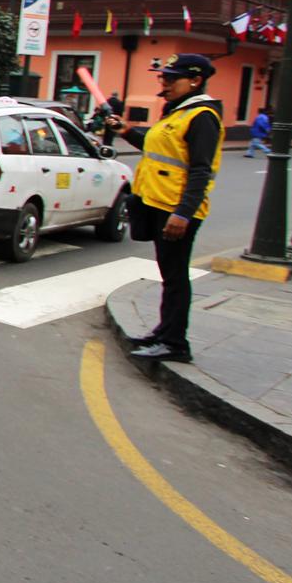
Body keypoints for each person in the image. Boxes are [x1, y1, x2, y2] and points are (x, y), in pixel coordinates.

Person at [109, 54, 224, 365]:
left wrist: (183, 213)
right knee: (168, 275)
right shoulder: (178, 112)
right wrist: (125, 131)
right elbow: (156, 148)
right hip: (159, 203)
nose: (165, 84)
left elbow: (201, 170)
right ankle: (163, 332)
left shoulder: (201, 116)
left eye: (172, 79)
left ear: (195, 80)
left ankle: (175, 343)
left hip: (175, 209)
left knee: (175, 277)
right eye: (163, 78)